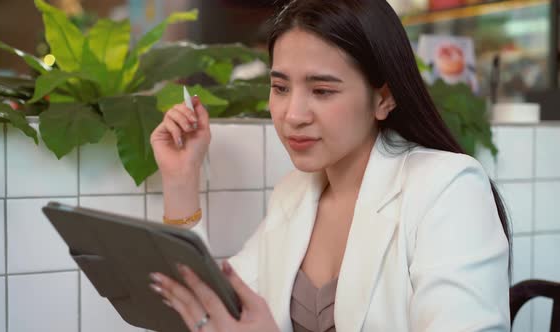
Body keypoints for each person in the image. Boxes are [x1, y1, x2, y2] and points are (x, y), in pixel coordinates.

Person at [148, 0, 511, 331]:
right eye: (280, 88)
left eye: (322, 91)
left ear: (383, 99)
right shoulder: (294, 194)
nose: (293, 115)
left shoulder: (448, 190)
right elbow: (213, 307)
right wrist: (181, 180)